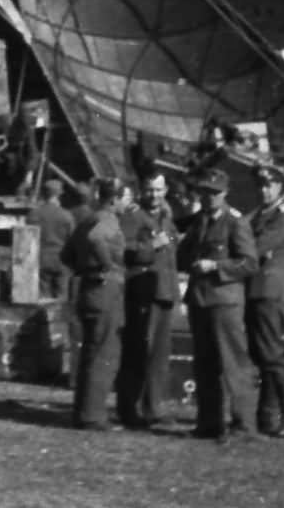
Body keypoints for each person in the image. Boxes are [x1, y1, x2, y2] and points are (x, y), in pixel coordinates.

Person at [175, 166, 258, 443]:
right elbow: (184, 254)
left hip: (225, 303)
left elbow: (249, 263)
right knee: (205, 366)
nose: (209, 197)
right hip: (200, 300)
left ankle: (243, 425)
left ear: (225, 193)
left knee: (234, 364)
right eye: (205, 192)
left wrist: (215, 266)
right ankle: (208, 423)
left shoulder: (236, 222)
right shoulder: (199, 220)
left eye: (214, 193)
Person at [60, 178, 126, 430]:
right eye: (126, 198)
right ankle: (93, 416)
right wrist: (109, 265)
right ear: (115, 199)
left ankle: (83, 411)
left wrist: (85, 267)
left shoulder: (88, 218)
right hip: (105, 290)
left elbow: (66, 255)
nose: (128, 203)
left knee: (90, 353)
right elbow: (96, 237)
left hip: (87, 289)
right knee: (104, 355)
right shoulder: (107, 219)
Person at [115, 172, 179, 429]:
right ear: (142, 190)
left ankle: (154, 407)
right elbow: (123, 249)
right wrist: (152, 244)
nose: (154, 195)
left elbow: (172, 248)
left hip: (164, 290)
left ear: (166, 190)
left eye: (159, 189)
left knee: (160, 355)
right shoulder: (133, 216)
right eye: (150, 189)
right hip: (142, 292)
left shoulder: (166, 216)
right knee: (138, 351)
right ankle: (129, 408)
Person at [245, 165, 284, 438]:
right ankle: (266, 413)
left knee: (272, 354)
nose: (264, 190)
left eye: (269, 185)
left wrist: (249, 248)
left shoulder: (282, 219)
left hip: (267, 292)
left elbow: (253, 249)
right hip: (255, 290)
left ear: (279, 187)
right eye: (260, 185)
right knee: (262, 354)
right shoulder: (258, 216)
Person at [27, 179, 76, 300]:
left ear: (43, 194)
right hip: (61, 260)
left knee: (43, 297)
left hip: (41, 258)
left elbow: (27, 239)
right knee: (61, 298)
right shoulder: (66, 215)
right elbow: (73, 240)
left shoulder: (33, 214)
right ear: (58, 195)